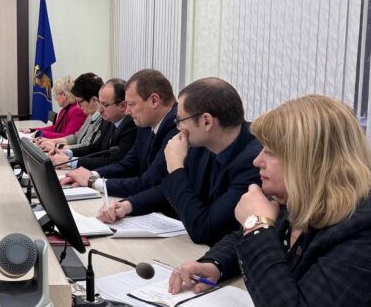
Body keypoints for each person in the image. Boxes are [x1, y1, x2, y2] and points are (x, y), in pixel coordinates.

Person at [168, 95, 371, 307]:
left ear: (310, 162)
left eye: (271, 152)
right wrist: (214, 265)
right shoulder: (304, 198)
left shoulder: (365, 227)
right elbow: (242, 237)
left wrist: (256, 225)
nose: (257, 161)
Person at [107, 77, 260, 245]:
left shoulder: (254, 162)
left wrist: (175, 168)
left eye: (180, 121)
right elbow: (167, 190)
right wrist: (128, 205)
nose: (178, 128)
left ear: (206, 121)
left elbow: (204, 230)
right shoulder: (202, 142)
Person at [64, 69, 178, 217]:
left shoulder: (176, 128)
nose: (127, 111)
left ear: (154, 101)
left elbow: (149, 182)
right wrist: (90, 175)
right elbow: (127, 165)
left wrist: (93, 181)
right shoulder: (145, 125)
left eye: (131, 104)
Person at [50, 78, 137, 170]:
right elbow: (95, 148)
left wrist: (71, 162)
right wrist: (68, 152)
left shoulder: (130, 125)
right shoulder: (110, 120)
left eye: (105, 105)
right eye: (100, 103)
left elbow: (113, 161)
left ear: (122, 106)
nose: (100, 109)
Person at [37, 73, 104, 152]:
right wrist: (51, 141)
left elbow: (86, 147)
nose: (78, 106)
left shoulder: (103, 119)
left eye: (80, 102)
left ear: (94, 100)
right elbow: (76, 137)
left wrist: (56, 146)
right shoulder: (90, 115)